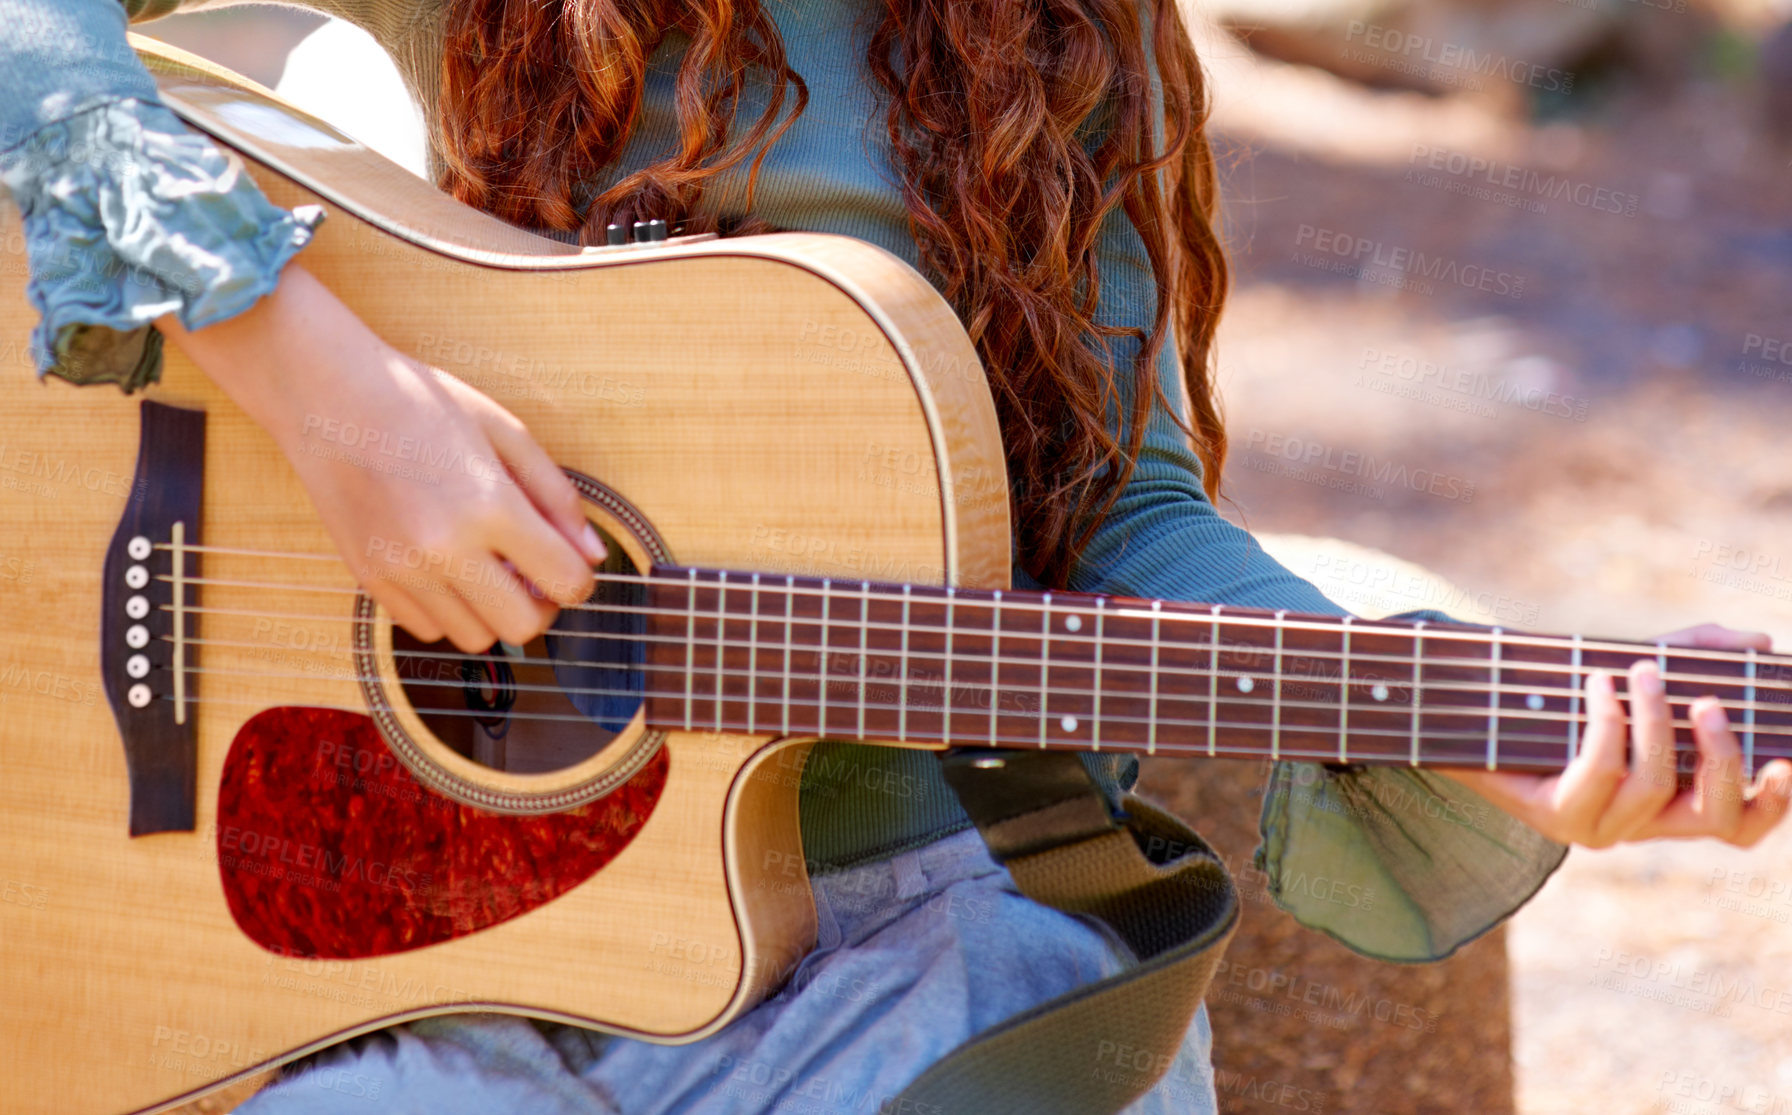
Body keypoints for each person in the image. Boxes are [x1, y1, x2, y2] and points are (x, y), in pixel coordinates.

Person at [3, 2, 1788, 1111]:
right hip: (394, 931)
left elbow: (1124, 504)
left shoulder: (1060, 36)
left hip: (909, 944)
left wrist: (1442, 712)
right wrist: (322, 386)